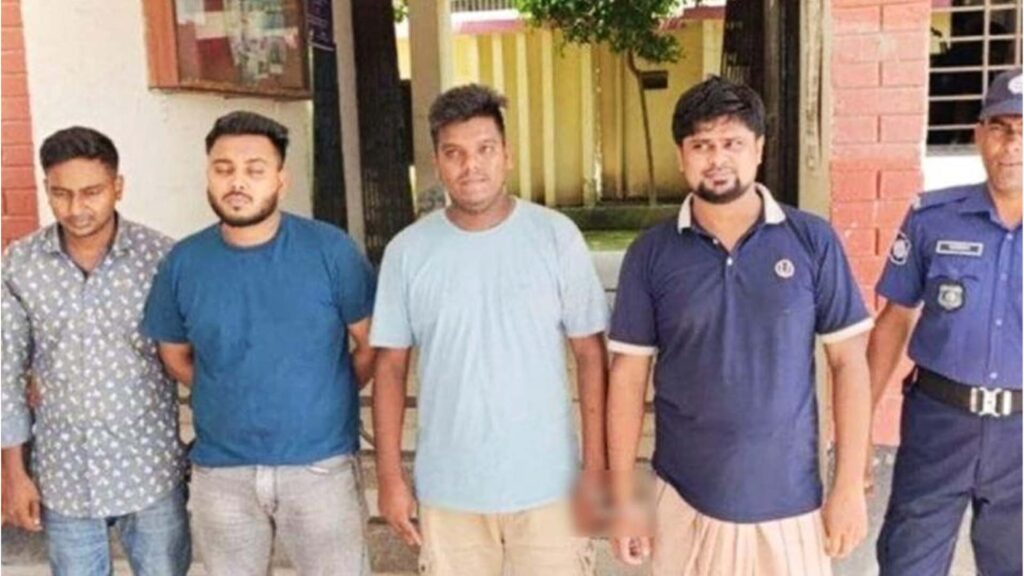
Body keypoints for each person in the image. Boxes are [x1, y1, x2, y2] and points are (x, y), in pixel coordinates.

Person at [607, 76, 873, 575]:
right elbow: (627, 376)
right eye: (701, 145)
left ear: (759, 150)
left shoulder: (811, 240)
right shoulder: (651, 253)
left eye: (732, 143)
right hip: (684, 499)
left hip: (790, 504)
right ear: (681, 156)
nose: (717, 158)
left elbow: (849, 363)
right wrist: (623, 499)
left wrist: (848, 485)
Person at [371, 84, 609, 576]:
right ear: (437, 163)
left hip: (550, 488)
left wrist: (596, 467)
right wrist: (390, 477)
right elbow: (389, 368)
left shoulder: (555, 236)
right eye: (454, 153)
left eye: (484, 149)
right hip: (449, 493)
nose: (471, 166)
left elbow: (590, 354)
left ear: (507, 155)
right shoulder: (407, 251)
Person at [141, 111, 376, 575]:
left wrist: (326, 393)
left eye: (254, 170)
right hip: (222, 473)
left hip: (320, 467)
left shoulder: (331, 251)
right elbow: (174, 355)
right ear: (209, 174)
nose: (237, 182)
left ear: (280, 180)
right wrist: (226, 390)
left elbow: (370, 344)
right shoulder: (184, 262)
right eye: (223, 168)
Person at [1, 127, 189, 575]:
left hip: (151, 469)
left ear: (117, 187)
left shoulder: (161, 259)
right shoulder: (19, 264)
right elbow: (5, 374)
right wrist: (13, 473)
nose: (76, 208)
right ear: (46, 188)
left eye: (91, 192)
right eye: (61, 193)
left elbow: (196, 356)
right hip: (65, 475)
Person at [869, 68, 1022, 576]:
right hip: (940, 423)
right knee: (909, 562)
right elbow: (894, 320)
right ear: (979, 134)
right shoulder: (933, 218)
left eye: (1023, 131)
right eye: (1000, 128)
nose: (1011, 145)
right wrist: (859, 429)